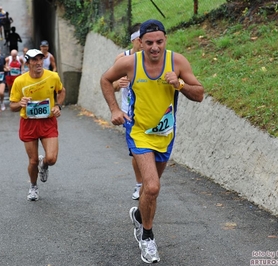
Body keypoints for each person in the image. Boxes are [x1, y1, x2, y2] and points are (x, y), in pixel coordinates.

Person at [100, 19, 204, 263]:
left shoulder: (177, 62)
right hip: (138, 132)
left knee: (149, 190)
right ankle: (147, 237)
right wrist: (115, 109)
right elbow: (106, 80)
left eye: (159, 41)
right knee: (153, 186)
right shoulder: (129, 63)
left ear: (165, 40)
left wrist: (178, 84)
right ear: (140, 43)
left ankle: (139, 216)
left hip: (165, 135)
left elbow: (199, 93)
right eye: (149, 42)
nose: (155, 47)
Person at [9, 49, 66, 201]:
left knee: (52, 158)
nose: (39, 62)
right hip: (29, 123)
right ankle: (33, 186)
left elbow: (62, 91)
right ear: (27, 63)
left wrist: (58, 106)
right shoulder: (20, 81)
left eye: (40, 59)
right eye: (34, 60)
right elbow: (12, 106)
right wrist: (20, 104)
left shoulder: (53, 76)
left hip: (48, 121)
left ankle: (45, 164)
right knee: (33, 160)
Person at [112, 23, 143, 200]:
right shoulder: (122, 59)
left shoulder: (152, 58)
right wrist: (120, 83)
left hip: (150, 111)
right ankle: (140, 184)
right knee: (137, 151)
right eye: (140, 39)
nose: (143, 42)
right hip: (129, 112)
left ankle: (148, 182)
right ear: (134, 41)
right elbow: (112, 84)